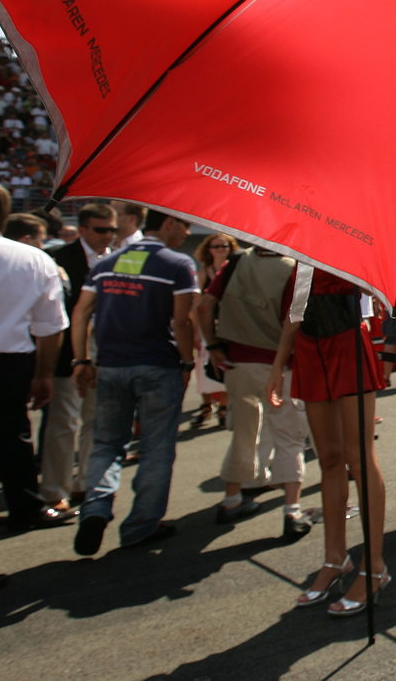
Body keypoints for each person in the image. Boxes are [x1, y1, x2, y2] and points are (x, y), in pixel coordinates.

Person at [71, 209, 198, 555]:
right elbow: (182, 321)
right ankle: (141, 526)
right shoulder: (178, 264)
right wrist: (187, 362)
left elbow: (81, 312)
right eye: (184, 226)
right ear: (169, 223)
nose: (186, 233)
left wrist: (82, 359)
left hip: (110, 365)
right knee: (157, 448)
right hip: (158, 365)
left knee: (106, 444)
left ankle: (95, 509)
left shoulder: (107, 262)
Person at [266, 264, 389, 615]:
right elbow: (294, 311)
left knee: (360, 458)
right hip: (308, 351)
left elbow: (380, 293)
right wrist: (278, 364)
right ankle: (335, 559)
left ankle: (375, 565)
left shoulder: (352, 245)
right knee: (330, 460)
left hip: (349, 344)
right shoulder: (301, 257)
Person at [0, 177, 67, 593]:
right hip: (7, 366)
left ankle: (24, 506)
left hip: (4, 362)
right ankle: (22, 508)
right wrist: (44, 374)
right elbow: (49, 329)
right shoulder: (33, 259)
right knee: (4, 446)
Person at [200, 241, 311, 537]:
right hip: (278, 362)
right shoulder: (294, 268)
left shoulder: (236, 261)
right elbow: (292, 323)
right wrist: (278, 364)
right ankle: (292, 510)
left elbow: (206, 304)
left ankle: (232, 498)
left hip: (237, 361)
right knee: (289, 434)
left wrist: (212, 345)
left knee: (243, 430)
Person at [39, 202, 117, 524]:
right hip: (67, 352)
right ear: (83, 229)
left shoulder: (120, 259)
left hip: (107, 351)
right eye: (101, 230)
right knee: (63, 423)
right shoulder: (57, 259)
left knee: (96, 421)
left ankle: (86, 484)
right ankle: (55, 491)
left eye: (112, 229)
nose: (107, 236)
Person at [189, 233, 236, 430]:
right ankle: (206, 404)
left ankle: (224, 407)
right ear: (208, 250)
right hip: (206, 326)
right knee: (203, 367)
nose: (220, 250)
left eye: (224, 246)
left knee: (224, 365)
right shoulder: (203, 273)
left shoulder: (235, 270)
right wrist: (196, 332)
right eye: (216, 246)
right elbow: (196, 305)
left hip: (228, 325)